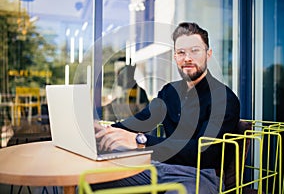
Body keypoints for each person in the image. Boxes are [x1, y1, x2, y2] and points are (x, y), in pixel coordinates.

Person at [93, 22, 240, 193]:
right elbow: (141, 120)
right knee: (91, 177)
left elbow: (204, 153)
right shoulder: (170, 91)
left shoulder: (224, 99)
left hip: (199, 176)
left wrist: (141, 141)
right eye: (181, 52)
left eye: (195, 51)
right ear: (175, 57)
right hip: (159, 167)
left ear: (208, 54)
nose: (187, 58)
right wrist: (105, 131)